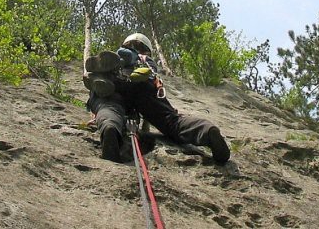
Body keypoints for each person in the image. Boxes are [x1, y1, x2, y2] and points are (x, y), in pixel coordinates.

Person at [84, 33, 230, 164]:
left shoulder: (117, 58)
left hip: (112, 83)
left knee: (108, 109)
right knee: (172, 121)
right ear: (146, 50)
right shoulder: (146, 60)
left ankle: (110, 128)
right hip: (143, 82)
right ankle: (206, 130)